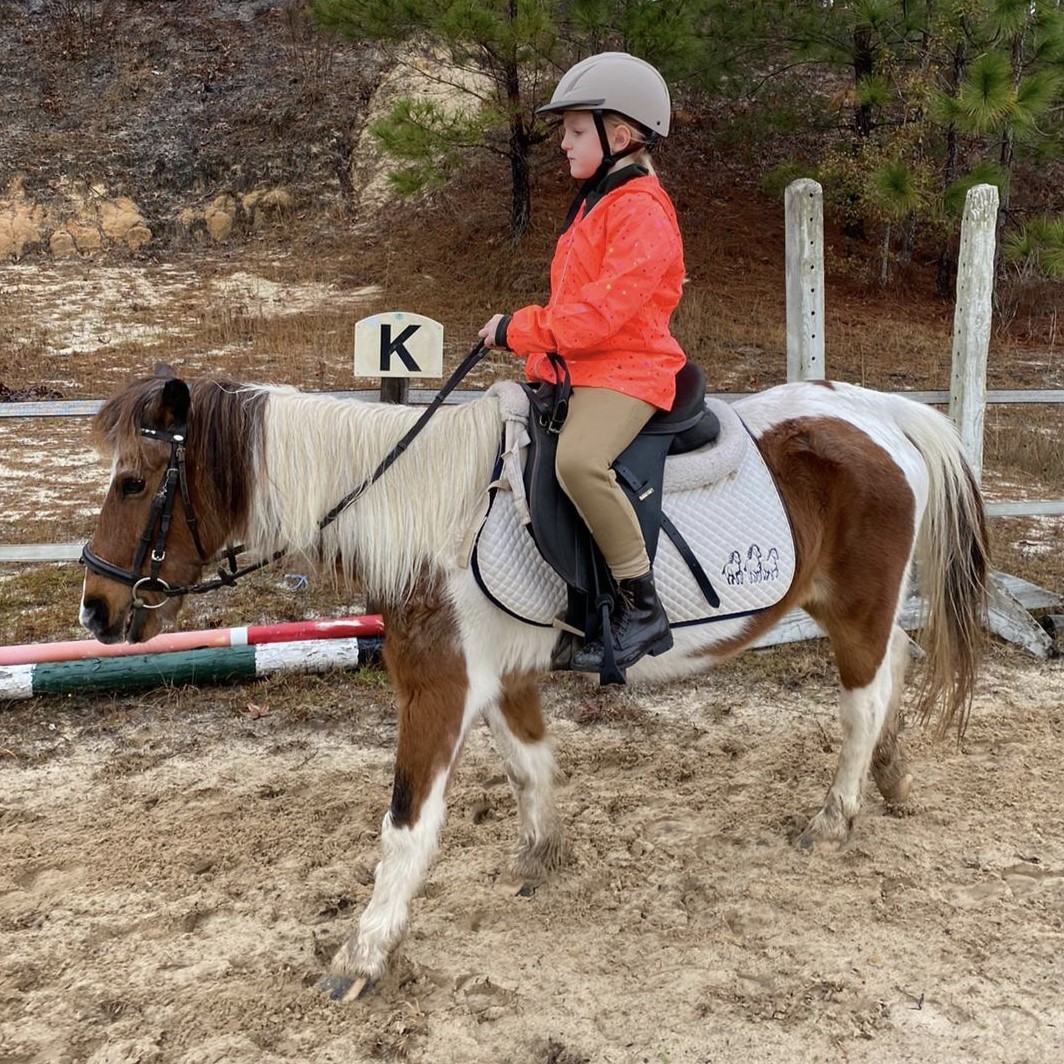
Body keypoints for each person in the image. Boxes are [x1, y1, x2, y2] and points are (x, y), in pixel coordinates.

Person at [478, 51, 686, 673]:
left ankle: (641, 603)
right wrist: (537, 346)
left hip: (629, 369)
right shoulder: (599, 203)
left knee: (579, 460)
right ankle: (578, 608)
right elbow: (577, 305)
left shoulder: (642, 212)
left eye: (574, 131)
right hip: (587, 367)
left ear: (617, 136)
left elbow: (598, 315)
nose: (563, 144)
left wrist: (519, 327)